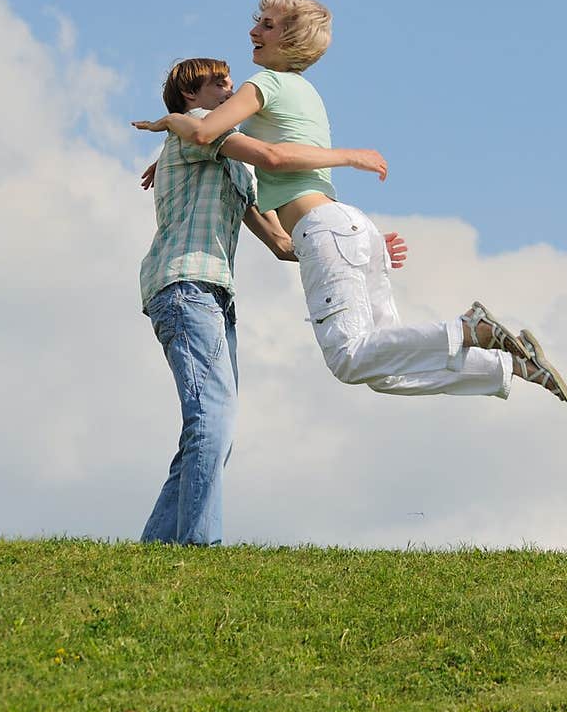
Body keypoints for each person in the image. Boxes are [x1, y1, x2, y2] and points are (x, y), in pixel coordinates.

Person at [133, 0, 567, 407]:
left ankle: (468, 329)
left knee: (348, 359)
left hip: (324, 230)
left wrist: (170, 122)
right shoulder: (303, 93)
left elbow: (226, 138)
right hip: (346, 231)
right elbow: (229, 146)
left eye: (266, 25)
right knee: (385, 369)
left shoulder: (264, 82)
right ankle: (506, 367)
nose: (253, 30)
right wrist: (178, 153)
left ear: (287, 41)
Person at [137, 55, 406, 547]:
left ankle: (158, 549)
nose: (228, 89)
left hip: (212, 294)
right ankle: (199, 550)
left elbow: (284, 245)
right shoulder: (198, 128)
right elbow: (275, 156)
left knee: (212, 427)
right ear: (191, 99)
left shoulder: (230, 165)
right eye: (216, 85)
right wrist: (350, 156)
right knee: (211, 422)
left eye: (228, 81)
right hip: (185, 286)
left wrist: (358, 252)